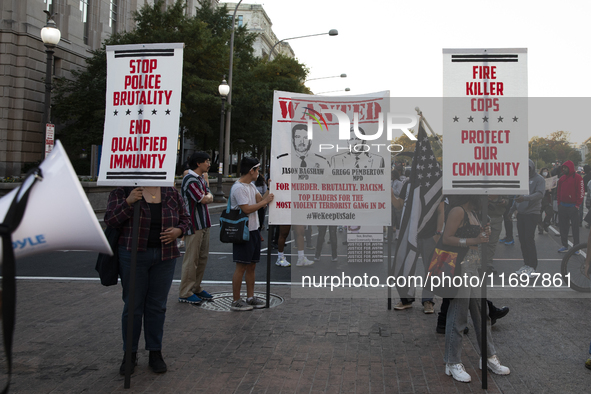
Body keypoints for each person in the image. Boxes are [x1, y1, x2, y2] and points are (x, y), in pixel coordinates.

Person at [105, 185, 190, 375]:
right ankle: (130, 354)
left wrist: (179, 230)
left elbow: (186, 218)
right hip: (132, 254)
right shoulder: (122, 191)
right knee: (133, 306)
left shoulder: (171, 192)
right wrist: (128, 202)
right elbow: (110, 220)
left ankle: (155, 352)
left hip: (164, 257)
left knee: (157, 306)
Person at [442, 195, 510, 383]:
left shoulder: (473, 212)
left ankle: (488, 356)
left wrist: (482, 235)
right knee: (458, 315)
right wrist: (473, 240)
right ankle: (452, 361)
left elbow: (476, 238)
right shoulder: (458, 211)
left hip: (472, 268)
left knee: (483, 313)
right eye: (484, 196)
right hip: (460, 268)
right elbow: (446, 238)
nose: (487, 199)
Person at [230, 157, 274, 311]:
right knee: (241, 266)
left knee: (252, 266)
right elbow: (247, 209)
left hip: (254, 230)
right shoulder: (239, 187)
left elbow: (260, 200)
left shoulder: (251, 186)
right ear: (251, 170)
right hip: (243, 232)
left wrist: (270, 187)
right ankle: (236, 300)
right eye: (257, 170)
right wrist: (264, 201)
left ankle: (250, 297)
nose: (258, 173)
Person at [177, 152, 214, 305]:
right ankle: (185, 292)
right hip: (193, 224)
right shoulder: (190, 179)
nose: (209, 164)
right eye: (207, 161)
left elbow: (208, 195)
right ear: (198, 163)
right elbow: (204, 198)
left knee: (202, 258)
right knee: (191, 259)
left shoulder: (200, 179)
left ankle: (196, 288)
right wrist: (208, 197)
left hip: (204, 222)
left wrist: (208, 196)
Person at [512, 159, 545, 276]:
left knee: (528, 239)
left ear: (532, 167)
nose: (526, 170)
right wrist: (511, 210)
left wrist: (526, 198)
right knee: (522, 239)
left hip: (532, 213)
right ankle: (526, 264)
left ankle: (532, 266)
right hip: (521, 213)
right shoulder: (522, 179)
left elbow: (540, 194)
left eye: (528, 168)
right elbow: (517, 195)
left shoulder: (539, 179)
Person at [557, 160, 584, 253]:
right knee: (563, 227)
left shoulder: (578, 178)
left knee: (575, 228)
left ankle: (576, 247)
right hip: (563, 206)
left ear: (570, 167)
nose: (564, 169)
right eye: (563, 167)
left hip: (573, 206)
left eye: (565, 167)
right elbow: (558, 191)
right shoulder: (561, 178)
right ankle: (564, 245)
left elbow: (581, 192)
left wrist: (577, 205)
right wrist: (559, 203)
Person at [537, 167, 553, 234]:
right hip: (540, 198)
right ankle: (540, 227)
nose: (545, 172)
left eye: (546, 171)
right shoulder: (538, 179)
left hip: (547, 198)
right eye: (544, 171)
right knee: (539, 214)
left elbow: (553, 190)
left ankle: (545, 224)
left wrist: (550, 190)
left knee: (550, 212)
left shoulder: (550, 180)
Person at [253, 174, 268, 242]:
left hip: (260, 203)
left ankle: (259, 232)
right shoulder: (250, 184)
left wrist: (264, 202)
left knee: (260, 219)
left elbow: (264, 193)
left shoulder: (262, 183)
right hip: (254, 204)